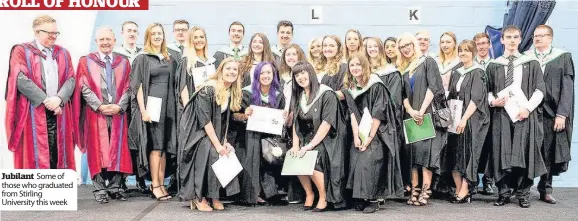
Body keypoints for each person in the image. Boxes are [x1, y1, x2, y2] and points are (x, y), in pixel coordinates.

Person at [486, 25, 547, 208]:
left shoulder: (531, 63)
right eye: (508, 37)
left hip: (524, 116)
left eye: (515, 37)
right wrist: (492, 102)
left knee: (524, 152)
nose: (512, 40)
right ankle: (503, 192)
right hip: (501, 116)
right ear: (502, 40)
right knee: (500, 152)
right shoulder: (494, 65)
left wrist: (528, 108)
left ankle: (523, 193)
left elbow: (540, 90)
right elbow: (487, 91)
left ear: (520, 40)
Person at [5, 15, 76, 170]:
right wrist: (46, 101)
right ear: (36, 32)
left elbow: (71, 79)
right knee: (36, 156)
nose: (54, 36)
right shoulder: (21, 51)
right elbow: (20, 79)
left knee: (57, 154)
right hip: (33, 112)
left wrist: (58, 99)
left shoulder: (63, 53)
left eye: (56, 33)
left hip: (59, 112)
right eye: (49, 33)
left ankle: (57, 192)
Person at [73, 27, 133, 203]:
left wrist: (119, 106)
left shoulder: (124, 62)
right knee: (96, 150)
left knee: (118, 149)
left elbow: (130, 87)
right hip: (95, 114)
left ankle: (115, 187)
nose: (105, 42)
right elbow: (83, 86)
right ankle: (99, 188)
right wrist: (99, 106)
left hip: (118, 114)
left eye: (109, 39)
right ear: (96, 42)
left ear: (115, 41)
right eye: (102, 40)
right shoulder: (86, 61)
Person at [178, 57, 243, 212]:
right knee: (211, 151)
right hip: (195, 133)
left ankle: (214, 195)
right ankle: (199, 197)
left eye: (235, 69)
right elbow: (205, 120)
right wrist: (218, 145)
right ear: (220, 71)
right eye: (228, 69)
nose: (231, 72)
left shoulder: (229, 91)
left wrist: (224, 141)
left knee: (225, 153)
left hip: (210, 131)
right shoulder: (208, 88)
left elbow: (222, 120)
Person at [343, 53, 403, 213]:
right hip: (361, 130)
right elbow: (353, 114)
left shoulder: (376, 84)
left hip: (378, 131)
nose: (355, 68)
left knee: (369, 158)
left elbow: (378, 114)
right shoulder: (350, 88)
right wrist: (356, 136)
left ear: (365, 66)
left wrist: (369, 138)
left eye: (358, 65)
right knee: (356, 156)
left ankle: (374, 199)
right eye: (352, 65)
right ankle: (361, 197)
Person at [128, 23, 179, 201]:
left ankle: (162, 183)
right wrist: (143, 111)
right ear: (148, 36)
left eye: (160, 34)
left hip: (169, 106)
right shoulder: (143, 58)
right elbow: (138, 87)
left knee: (164, 147)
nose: (158, 36)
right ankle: (154, 185)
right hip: (153, 106)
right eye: (154, 34)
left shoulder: (168, 58)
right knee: (156, 147)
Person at [525, 25, 574, 204]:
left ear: (550, 38)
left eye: (542, 36)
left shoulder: (563, 58)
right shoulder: (527, 58)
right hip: (531, 112)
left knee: (548, 151)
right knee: (528, 149)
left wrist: (562, 114)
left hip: (551, 113)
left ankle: (545, 188)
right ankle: (523, 187)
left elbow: (567, 90)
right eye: (535, 36)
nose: (538, 39)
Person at [397, 33, 447, 206]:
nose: (406, 48)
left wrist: (422, 110)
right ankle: (415, 187)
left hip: (426, 115)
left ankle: (426, 189)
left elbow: (433, 86)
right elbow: (402, 94)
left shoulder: (427, 62)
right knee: (412, 154)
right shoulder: (403, 68)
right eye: (402, 46)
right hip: (410, 115)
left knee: (426, 154)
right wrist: (410, 110)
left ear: (414, 44)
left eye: (408, 44)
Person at [289, 61, 347, 212]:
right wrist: (296, 145)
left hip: (329, 138)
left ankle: (323, 196)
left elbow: (326, 124)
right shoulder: (299, 96)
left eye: (303, 72)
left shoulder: (326, 93)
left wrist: (309, 146)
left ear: (311, 72)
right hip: (307, 137)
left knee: (313, 155)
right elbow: (296, 124)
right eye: (296, 75)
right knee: (294, 155)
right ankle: (309, 194)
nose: (300, 77)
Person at [445, 40, 489, 203]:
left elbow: (476, 98)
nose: (463, 53)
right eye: (461, 51)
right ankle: (458, 188)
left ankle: (466, 188)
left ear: (474, 53)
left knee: (468, 153)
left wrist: (464, 119)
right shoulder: (457, 72)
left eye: (467, 51)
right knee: (455, 153)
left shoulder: (477, 72)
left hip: (471, 119)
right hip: (455, 117)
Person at [238, 61, 286, 205]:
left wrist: (284, 117)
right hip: (249, 135)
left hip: (270, 135)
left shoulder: (278, 95)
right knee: (252, 161)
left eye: (269, 73)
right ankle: (251, 194)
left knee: (268, 161)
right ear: (256, 74)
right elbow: (235, 114)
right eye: (262, 72)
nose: (266, 75)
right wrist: (244, 114)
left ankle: (269, 193)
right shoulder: (246, 92)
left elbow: (282, 117)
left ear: (273, 75)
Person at [473, 32, 494, 195]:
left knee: (489, 148)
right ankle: (473, 181)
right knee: (474, 147)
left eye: (484, 43)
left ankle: (488, 181)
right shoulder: (469, 65)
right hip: (474, 113)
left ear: (489, 45)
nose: (481, 46)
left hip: (492, 111)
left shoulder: (495, 65)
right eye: (478, 43)